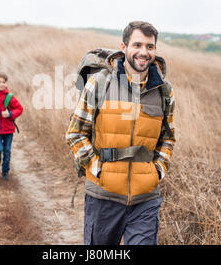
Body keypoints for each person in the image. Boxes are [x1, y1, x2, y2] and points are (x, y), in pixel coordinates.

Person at [66, 21, 176, 245]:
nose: (144, 52)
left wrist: (158, 171)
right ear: (124, 47)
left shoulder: (164, 90)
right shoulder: (100, 83)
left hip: (146, 198)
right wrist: (98, 169)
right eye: (137, 45)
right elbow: (76, 133)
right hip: (104, 196)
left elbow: (168, 138)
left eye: (150, 46)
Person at [0, 72, 23, 180]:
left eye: (3, 82)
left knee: (7, 150)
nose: (1, 84)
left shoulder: (10, 97)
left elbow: (19, 109)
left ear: (6, 83)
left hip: (9, 130)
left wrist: (10, 114)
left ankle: (5, 171)